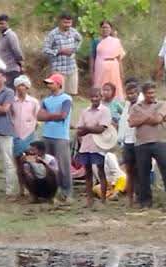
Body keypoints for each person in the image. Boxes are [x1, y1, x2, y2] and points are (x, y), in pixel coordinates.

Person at [128, 83, 166, 208]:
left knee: (164, 170)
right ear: (143, 94)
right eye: (149, 93)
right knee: (142, 173)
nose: (152, 95)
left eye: (153, 93)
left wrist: (142, 118)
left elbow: (158, 120)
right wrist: (151, 117)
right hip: (141, 144)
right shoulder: (135, 106)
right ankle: (145, 202)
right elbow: (132, 122)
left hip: (159, 142)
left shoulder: (161, 104)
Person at [37, 72, 73, 200]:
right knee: (48, 165)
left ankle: (66, 192)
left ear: (58, 84)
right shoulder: (46, 100)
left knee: (63, 166)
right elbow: (39, 116)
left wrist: (48, 116)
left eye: (51, 83)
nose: (48, 85)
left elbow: (63, 115)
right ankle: (51, 192)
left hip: (61, 136)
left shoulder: (66, 99)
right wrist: (53, 116)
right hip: (47, 135)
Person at [76, 86, 114, 206]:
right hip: (86, 145)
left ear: (101, 97)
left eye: (97, 96)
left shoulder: (105, 111)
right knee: (87, 173)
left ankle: (103, 199)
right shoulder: (85, 111)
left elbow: (101, 129)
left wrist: (87, 129)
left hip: (99, 146)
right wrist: (88, 129)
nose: (94, 99)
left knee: (100, 171)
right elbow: (79, 130)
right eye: (92, 97)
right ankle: (89, 200)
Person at [42, 13, 82, 96]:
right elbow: (45, 50)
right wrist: (59, 51)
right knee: (57, 94)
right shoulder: (52, 34)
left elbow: (80, 40)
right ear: (59, 22)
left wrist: (74, 49)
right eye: (65, 23)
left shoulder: (73, 32)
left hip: (71, 68)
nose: (68, 25)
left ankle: (69, 109)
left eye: (69, 23)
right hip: (58, 69)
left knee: (71, 94)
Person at [119, 80, 142, 208]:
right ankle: (130, 199)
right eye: (128, 93)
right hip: (127, 142)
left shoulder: (141, 105)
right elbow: (123, 124)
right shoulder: (126, 106)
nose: (131, 95)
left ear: (138, 93)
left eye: (133, 93)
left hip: (138, 142)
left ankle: (140, 197)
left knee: (139, 170)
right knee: (129, 171)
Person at [93, 21, 125, 102]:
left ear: (111, 29)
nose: (105, 29)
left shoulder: (116, 41)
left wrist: (121, 72)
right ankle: (100, 102)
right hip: (100, 67)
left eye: (107, 27)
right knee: (101, 85)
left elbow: (119, 57)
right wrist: (91, 71)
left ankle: (116, 103)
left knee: (115, 85)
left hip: (114, 66)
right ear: (100, 29)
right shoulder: (96, 41)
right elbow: (92, 57)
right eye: (103, 27)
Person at [0, 14, 24, 82]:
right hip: (4, 69)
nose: (0, 26)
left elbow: (16, 50)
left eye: (2, 23)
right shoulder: (2, 36)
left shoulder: (11, 35)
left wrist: (21, 63)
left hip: (12, 69)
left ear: (7, 23)